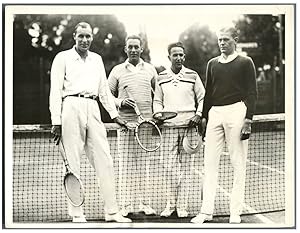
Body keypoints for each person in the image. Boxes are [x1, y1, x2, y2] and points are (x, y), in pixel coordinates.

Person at [49, 22, 132, 223]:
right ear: (74, 37)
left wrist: (114, 115)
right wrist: (56, 120)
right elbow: (55, 91)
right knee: (73, 165)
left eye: (88, 36)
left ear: (92, 38)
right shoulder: (62, 58)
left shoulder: (97, 59)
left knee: (105, 161)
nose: (84, 40)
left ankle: (112, 212)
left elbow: (104, 91)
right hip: (70, 106)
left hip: (93, 109)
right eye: (81, 36)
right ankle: (77, 214)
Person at [191, 26, 257, 224]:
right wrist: (204, 116)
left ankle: (235, 212)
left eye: (226, 40)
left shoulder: (246, 62)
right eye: (219, 40)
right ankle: (206, 212)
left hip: (237, 111)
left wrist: (248, 120)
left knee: (238, 164)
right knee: (209, 163)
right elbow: (208, 93)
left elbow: (252, 92)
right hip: (215, 114)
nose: (222, 43)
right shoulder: (212, 64)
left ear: (235, 40)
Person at [153, 42, 205, 218]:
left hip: (189, 128)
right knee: (168, 167)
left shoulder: (193, 75)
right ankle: (170, 205)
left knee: (187, 168)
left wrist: (198, 114)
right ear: (169, 57)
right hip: (168, 128)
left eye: (181, 55)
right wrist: (158, 114)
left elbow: (203, 97)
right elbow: (157, 101)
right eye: (175, 55)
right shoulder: (161, 77)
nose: (179, 58)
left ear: (184, 57)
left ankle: (182, 206)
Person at [108, 35, 158, 216]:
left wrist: (155, 116)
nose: (134, 50)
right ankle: (126, 206)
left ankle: (145, 204)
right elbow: (106, 96)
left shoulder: (151, 70)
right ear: (125, 49)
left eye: (137, 47)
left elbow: (158, 96)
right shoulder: (117, 71)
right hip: (125, 125)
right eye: (130, 47)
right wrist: (121, 103)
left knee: (143, 165)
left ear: (141, 48)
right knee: (126, 166)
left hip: (145, 125)